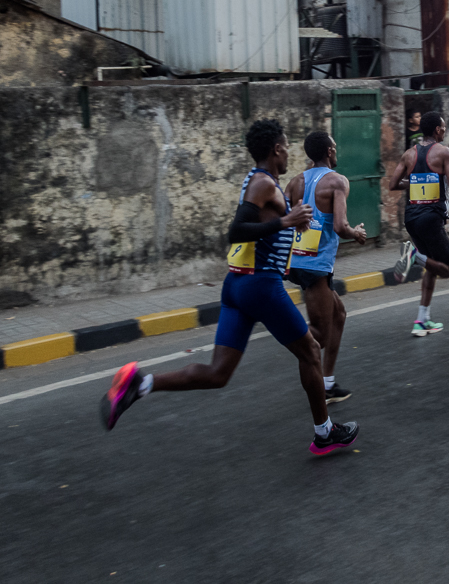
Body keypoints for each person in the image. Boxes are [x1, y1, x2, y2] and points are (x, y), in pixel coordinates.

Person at [99, 119, 359, 456]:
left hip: (237, 285)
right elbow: (236, 230)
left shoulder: (260, 181)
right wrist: (286, 221)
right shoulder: (264, 183)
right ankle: (325, 433)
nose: (288, 154)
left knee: (218, 372)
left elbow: (262, 225)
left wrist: (290, 220)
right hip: (260, 285)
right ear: (277, 149)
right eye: (285, 148)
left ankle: (141, 384)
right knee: (310, 351)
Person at [285, 131, 368, 404]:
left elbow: (285, 220)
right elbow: (339, 226)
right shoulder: (337, 181)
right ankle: (287, 333)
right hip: (316, 265)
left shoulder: (295, 182)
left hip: (296, 259)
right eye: (334, 147)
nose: (336, 150)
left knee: (339, 315)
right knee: (318, 332)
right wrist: (355, 233)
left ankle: (328, 382)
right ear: (330, 151)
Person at [389, 111, 449, 336]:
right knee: (447, 269)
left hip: (411, 218)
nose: (445, 130)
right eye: (444, 126)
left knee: (431, 268)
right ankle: (413, 256)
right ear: (438, 130)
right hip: (431, 219)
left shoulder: (409, 155)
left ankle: (422, 320)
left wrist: (414, 181)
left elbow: (393, 184)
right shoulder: (444, 153)